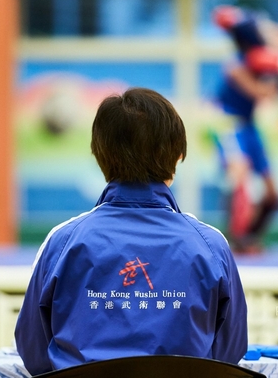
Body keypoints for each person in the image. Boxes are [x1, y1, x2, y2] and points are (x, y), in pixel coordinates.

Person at [15, 88, 248, 375]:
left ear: (99, 155)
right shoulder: (211, 246)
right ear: (177, 156)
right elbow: (228, 353)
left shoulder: (63, 242)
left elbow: (34, 351)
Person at [212, 6, 278, 253]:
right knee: (238, 175)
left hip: (250, 127)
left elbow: (270, 88)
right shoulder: (234, 65)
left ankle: (249, 238)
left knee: (273, 194)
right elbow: (260, 92)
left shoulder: (261, 60)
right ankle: (231, 240)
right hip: (229, 125)